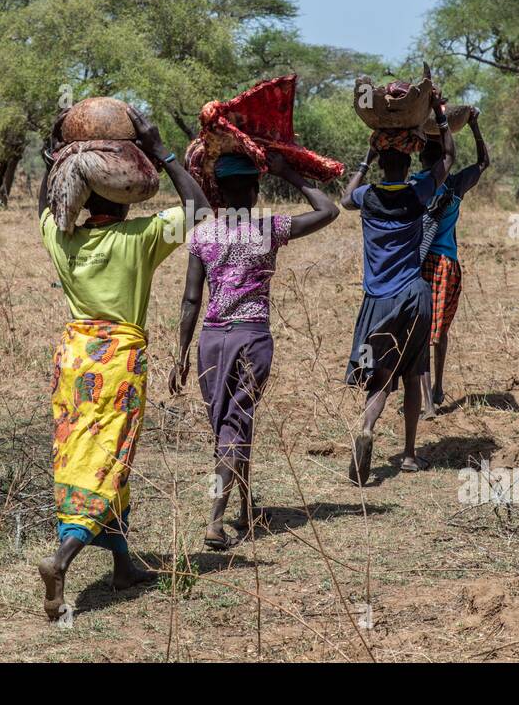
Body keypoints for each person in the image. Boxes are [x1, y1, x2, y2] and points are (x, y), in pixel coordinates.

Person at [36, 106, 209, 621]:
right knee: (110, 457)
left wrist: (58, 153)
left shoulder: (60, 236)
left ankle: (122, 564)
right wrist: (164, 151)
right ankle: (62, 557)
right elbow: (199, 209)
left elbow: (42, 208)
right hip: (118, 362)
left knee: (83, 454)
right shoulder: (139, 240)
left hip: (73, 361)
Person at [168, 151, 338, 549]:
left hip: (211, 340)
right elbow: (328, 210)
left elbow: (191, 299)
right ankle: (215, 520)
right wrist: (290, 173)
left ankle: (244, 508)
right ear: (255, 190)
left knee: (228, 424)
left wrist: (179, 353)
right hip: (251, 337)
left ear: (220, 192)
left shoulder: (203, 234)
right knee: (236, 423)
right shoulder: (267, 228)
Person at [341, 117, 452, 485]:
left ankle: (367, 425)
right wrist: (439, 115)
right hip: (415, 297)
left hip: (378, 302)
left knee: (379, 374)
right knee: (413, 371)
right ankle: (408, 454)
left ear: (381, 163)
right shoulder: (418, 192)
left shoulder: (367, 196)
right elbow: (448, 157)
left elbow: (343, 198)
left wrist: (365, 159)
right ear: (407, 165)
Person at [418, 107, 490, 417]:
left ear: (421, 160)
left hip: (419, 264)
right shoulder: (456, 185)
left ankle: (426, 400)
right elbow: (483, 162)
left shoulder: (416, 185)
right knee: (440, 330)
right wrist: (474, 126)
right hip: (448, 265)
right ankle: (436, 389)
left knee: (419, 332)